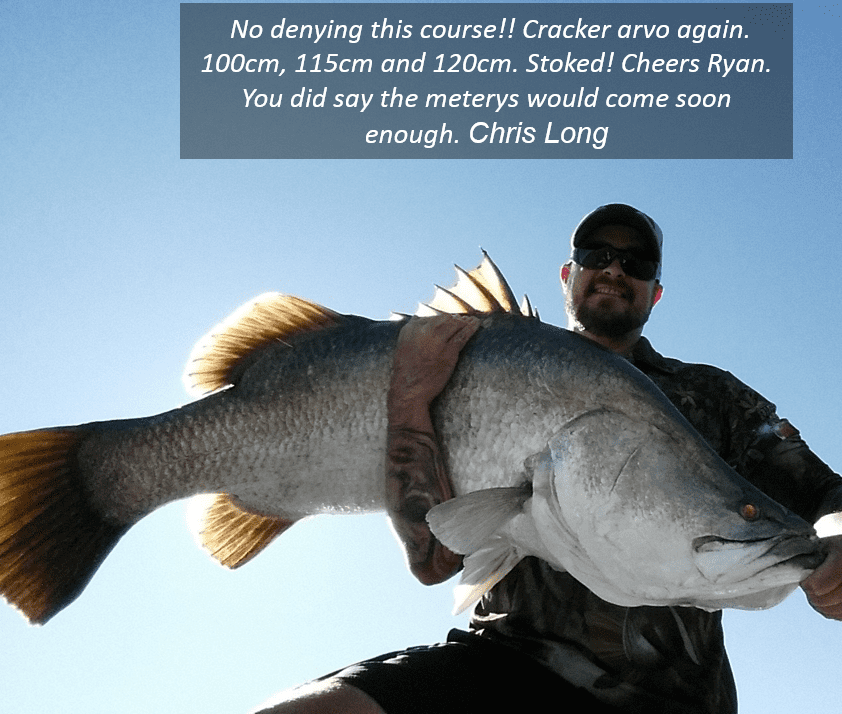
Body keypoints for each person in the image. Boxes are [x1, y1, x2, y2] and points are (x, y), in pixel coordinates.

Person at [257, 204, 842, 714]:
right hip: (502, 666)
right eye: (597, 254)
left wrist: (838, 540)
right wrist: (408, 397)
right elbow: (433, 559)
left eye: (636, 263)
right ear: (569, 275)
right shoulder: (450, 366)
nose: (615, 268)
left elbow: (826, 494)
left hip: (671, 699)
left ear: (655, 292)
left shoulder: (713, 396)